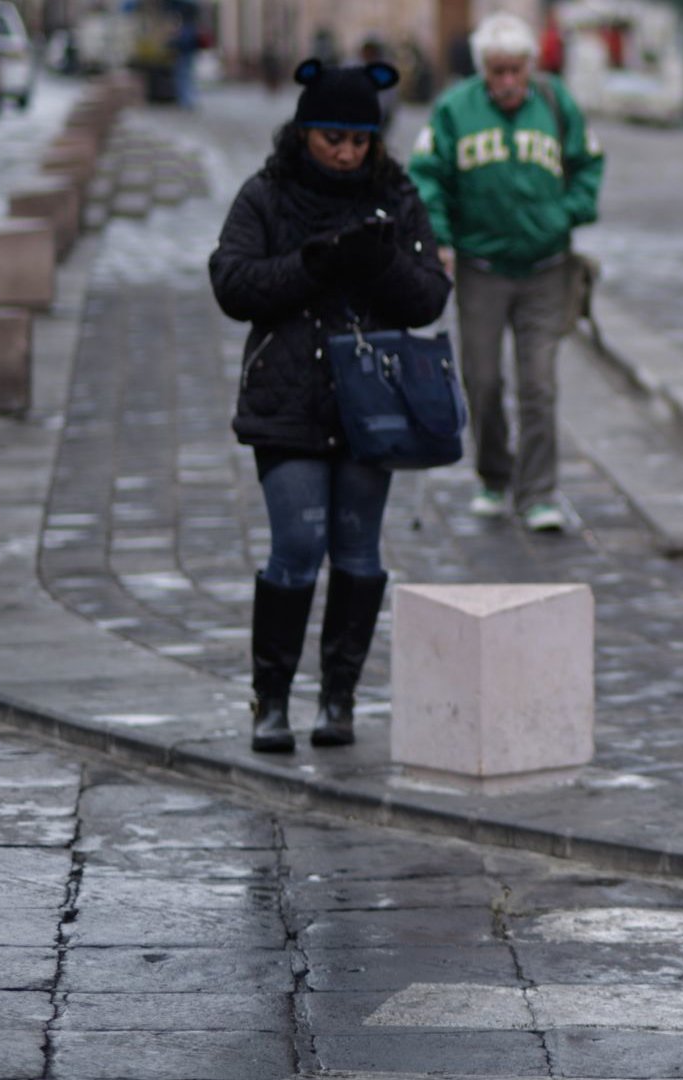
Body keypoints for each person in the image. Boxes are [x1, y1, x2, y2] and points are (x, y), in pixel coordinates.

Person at [209, 59, 452, 754]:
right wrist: (311, 264)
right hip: (287, 396)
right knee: (296, 544)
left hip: (371, 401)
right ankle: (272, 700)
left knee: (357, 550)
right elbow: (231, 281)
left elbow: (431, 295)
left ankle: (339, 698)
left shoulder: (396, 195)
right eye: (331, 138)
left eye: (359, 140)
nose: (346, 153)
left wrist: (378, 264)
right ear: (304, 133)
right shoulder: (267, 195)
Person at [409, 13, 605, 532]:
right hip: (482, 269)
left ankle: (538, 492)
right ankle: (494, 475)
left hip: (546, 268)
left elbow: (588, 164)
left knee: (538, 384)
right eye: (497, 71)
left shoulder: (556, 103)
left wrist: (566, 214)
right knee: (484, 380)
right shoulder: (455, 109)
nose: (508, 82)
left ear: (529, 67)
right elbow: (428, 177)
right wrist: (441, 238)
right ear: (482, 71)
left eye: (516, 70)